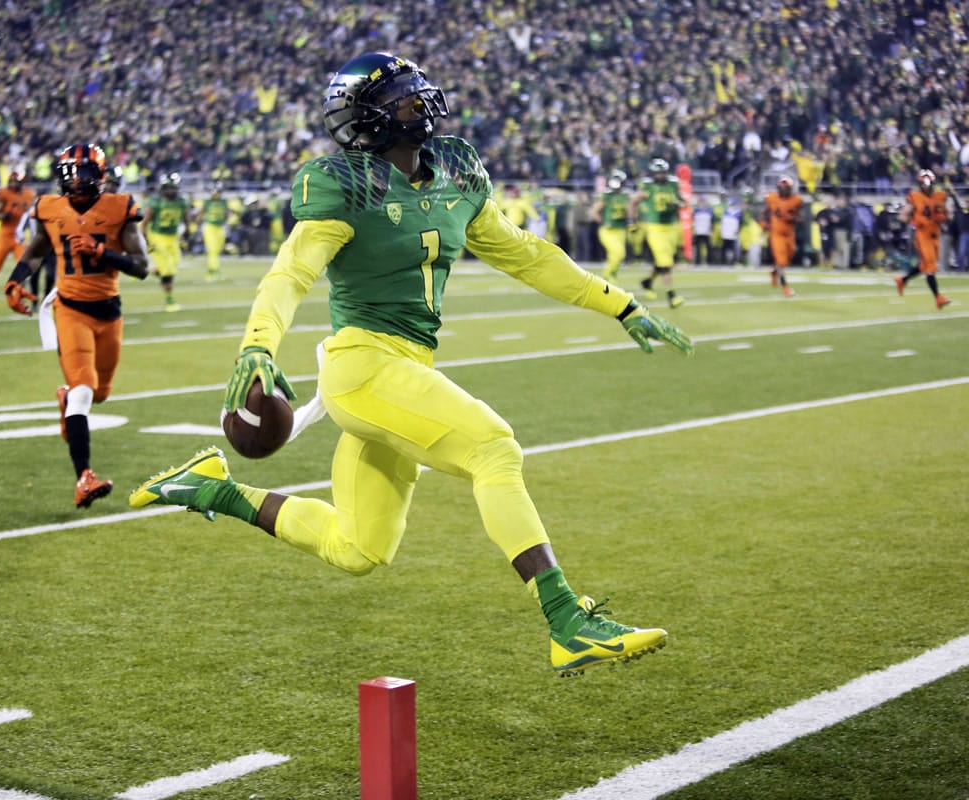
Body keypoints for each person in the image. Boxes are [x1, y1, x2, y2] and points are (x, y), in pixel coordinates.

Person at [128, 52, 693, 678]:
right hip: (364, 366)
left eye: (418, 89)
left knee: (358, 549)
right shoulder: (346, 184)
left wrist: (621, 305)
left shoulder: (454, 168)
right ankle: (568, 621)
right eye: (402, 95)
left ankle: (209, 487)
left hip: (404, 369)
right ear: (365, 117)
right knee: (493, 449)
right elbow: (291, 273)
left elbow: (526, 254)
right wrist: (258, 345)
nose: (419, 101)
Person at [2, 143, 150, 508]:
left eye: (83, 175)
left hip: (109, 311)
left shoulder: (119, 208)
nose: (76, 183)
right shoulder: (50, 208)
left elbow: (142, 266)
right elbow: (36, 250)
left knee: (101, 393)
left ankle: (67, 399)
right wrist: (14, 279)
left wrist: (102, 252)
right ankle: (84, 477)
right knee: (85, 389)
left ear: (100, 176)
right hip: (69, 310)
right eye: (69, 176)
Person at [628, 159, 685, 308]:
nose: (660, 175)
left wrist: (679, 204)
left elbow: (683, 201)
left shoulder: (673, 184)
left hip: (672, 226)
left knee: (664, 260)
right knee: (665, 261)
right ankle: (672, 296)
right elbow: (633, 201)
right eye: (657, 173)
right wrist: (632, 222)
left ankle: (648, 282)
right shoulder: (648, 186)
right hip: (655, 227)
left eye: (662, 172)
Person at [895, 169, 951, 309]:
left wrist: (944, 217)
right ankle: (938, 297)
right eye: (923, 184)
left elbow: (949, 214)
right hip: (922, 235)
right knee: (930, 266)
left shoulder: (940, 196)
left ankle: (902, 280)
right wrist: (913, 222)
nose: (925, 186)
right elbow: (902, 216)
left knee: (924, 266)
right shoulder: (915, 196)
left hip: (935, 234)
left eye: (928, 183)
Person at [142, 172, 190, 311]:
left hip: (173, 237)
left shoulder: (181, 201)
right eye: (168, 187)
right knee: (168, 272)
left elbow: (186, 219)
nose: (171, 191)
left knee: (173, 267)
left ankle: (153, 270)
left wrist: (187, 234)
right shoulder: (155, 202)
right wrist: (146, 241)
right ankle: (169, 301)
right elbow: (145, 222)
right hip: (157, 237)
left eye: (173, 187)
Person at [760, 176, 803, 297]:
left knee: (786, 260)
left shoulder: (796, 200)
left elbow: (801, 217)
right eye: (782, 187)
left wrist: (793, 218)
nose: (783, 190)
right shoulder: (772, 198)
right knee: (781, 261)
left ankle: (774, 272)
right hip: (776, 234)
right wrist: (764, 224)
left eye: (786, 187)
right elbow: (764, 212)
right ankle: (786, 287)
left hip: (789, 234)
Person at [590, 169, 630, 281]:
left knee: (615, 255)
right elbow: (594, 211)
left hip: (621, 229)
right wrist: (603, 221)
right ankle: (608, 274)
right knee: (619, 253)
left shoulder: (626, 195)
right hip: (608, 230)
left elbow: (631, 211)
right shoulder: (607, 195)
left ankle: (611, 275)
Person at [200, 184, 229, 282]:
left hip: (220, 227)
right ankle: (212, 272)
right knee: (212, 251)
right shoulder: (207, 202)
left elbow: (226, 214)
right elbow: (201, 213)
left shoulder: (224, 202)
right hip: (210, 227)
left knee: (217, 251)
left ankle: (215, 271)